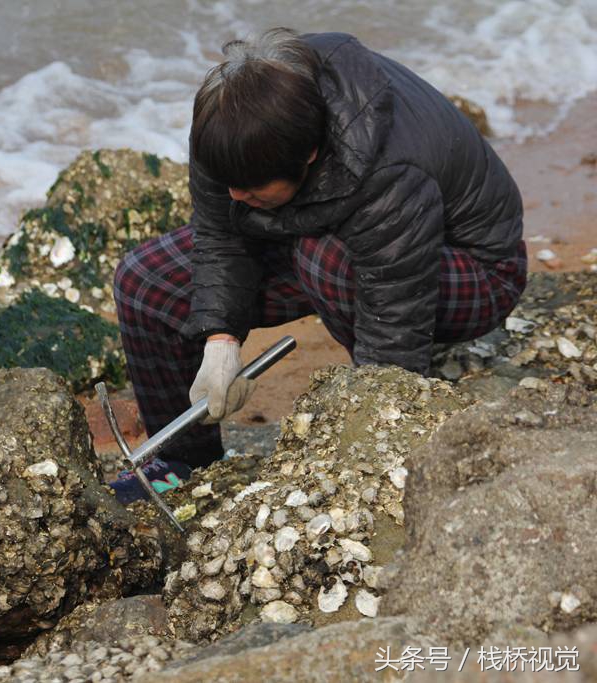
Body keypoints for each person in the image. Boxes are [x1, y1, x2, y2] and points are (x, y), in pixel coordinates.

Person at [109, 28, 526, 503]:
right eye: (228, 183)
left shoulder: (389, 173)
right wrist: (220, 338)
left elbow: (393, 322)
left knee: (323, 258)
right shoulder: (232, 118)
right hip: (330, 233)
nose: (234, 197)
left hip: (470, 270)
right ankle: (183, 462)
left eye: (250, 188)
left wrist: (371, 436)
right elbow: (221, 232)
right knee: (145, 282)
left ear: (307, 156)